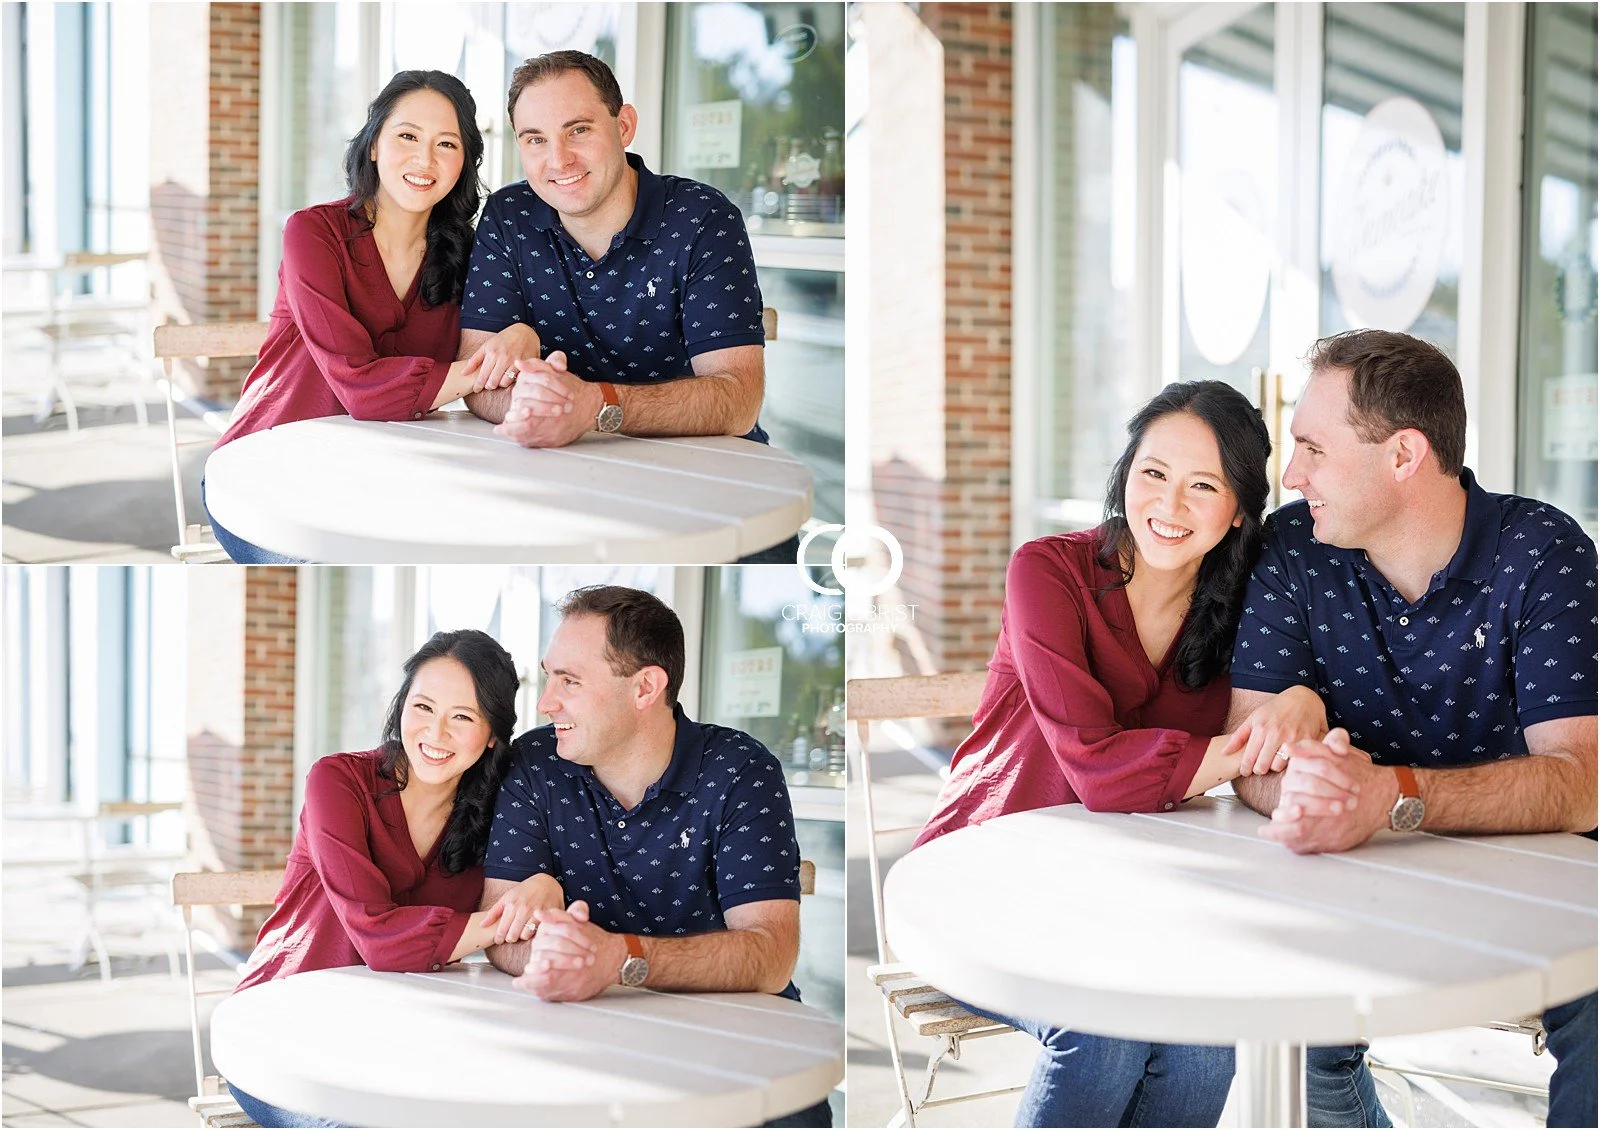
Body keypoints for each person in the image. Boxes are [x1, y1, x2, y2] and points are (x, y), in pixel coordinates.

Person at [1222, 328, 1598, 1128]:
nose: (1291, 476)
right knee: (1297, 1032)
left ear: (1403, 455)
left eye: (1313, 449)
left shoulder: (1544, 551)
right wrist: (1312, 792)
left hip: (1542, 882)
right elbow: (1250, 750)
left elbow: (1580, 782)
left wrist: (1387, 796)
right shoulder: (1295, 548)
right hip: (1357, 880)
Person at [913, 380, 1308, 1127]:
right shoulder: (1046, 572)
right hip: (982, 877)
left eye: (1203, 486)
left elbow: (1296, 703)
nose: (1169, 505)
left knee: (1203, 1040)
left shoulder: (1240, 608)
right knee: (1099, 1029)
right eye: (1153, 473)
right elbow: (1092, 765)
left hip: (1128, 902)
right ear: (1126, 472)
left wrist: (1305, 700)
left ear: (1238, 513)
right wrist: (1241, 747)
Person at [478, 585, 832, 1128]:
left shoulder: (740, 770)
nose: (547, 702)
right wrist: (568, 960)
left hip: (741, 1048)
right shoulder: (535, 762)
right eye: (550, 676)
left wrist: (618, 959)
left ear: (646, 686)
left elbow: (770, 955)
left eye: (570, 681)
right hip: (589, 1047)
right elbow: (502, 932)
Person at [453, 51, 798, 564]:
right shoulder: (509, 217)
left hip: (710, 481)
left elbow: (737, 399)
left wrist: (593, 406)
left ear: (625, 125)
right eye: (535, 139)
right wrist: (549, 409)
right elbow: (478, 380)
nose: (558, 160)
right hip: (565, 481)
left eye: (578, 130)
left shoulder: (702, 219)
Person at [202, 71, 515, 564]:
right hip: (264, 476)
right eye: (407, 136)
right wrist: (477, 371)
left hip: (379, 484)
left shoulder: (468, 256)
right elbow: (357, 384)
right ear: (373, 146)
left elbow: (510, 342)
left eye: (446, 144)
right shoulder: (313, 234)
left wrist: (518, 334)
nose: (424, 159)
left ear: (464, 163)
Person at [228, 629, 523, 1128]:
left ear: (492, 733)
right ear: (401, 705)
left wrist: (544, 888)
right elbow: (377, 936)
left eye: (463, 717)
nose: (435, 734)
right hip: (282, 1039)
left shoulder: (495, 815)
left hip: (398, 1046)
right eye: (423, 707)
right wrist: (505, 919)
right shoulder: (337, 782)